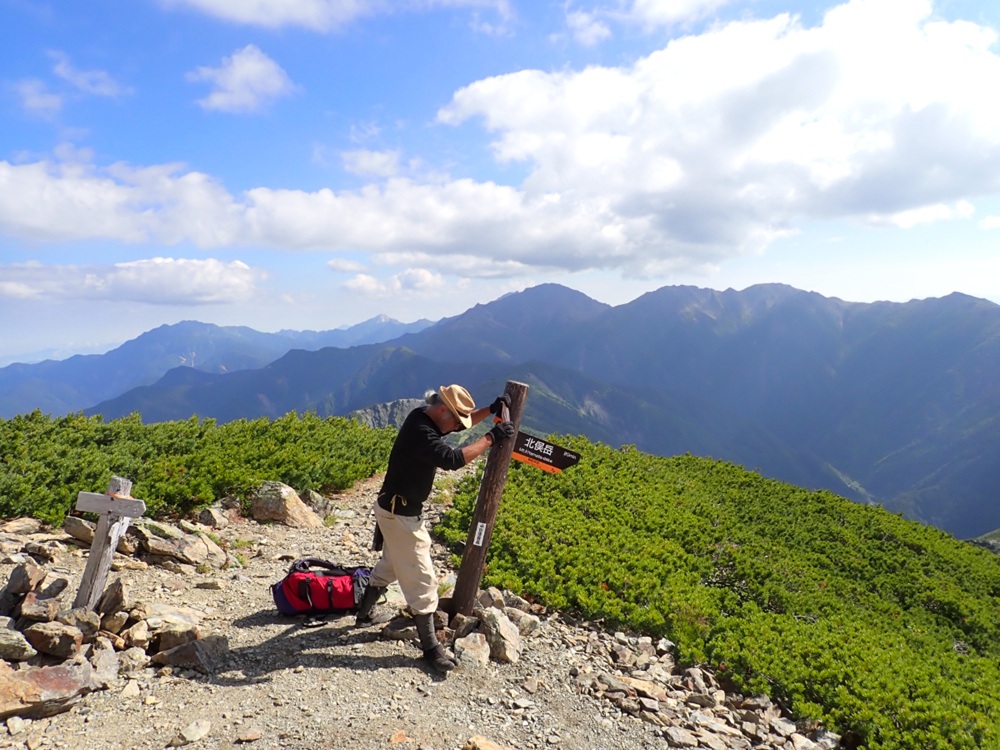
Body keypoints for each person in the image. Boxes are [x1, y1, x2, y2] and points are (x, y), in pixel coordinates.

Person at [355, 384, 515, 674]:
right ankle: (431, 649)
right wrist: (492, 437)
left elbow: (456, 428)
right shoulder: (421, 432)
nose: (457, 427)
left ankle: (363, 615)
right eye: (456, 420)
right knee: (424, 580)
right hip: (401, 516)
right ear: (443, 410)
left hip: (391, 509)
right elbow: (453, 460)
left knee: (391, 564)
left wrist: (490, 410)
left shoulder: (422, 416)